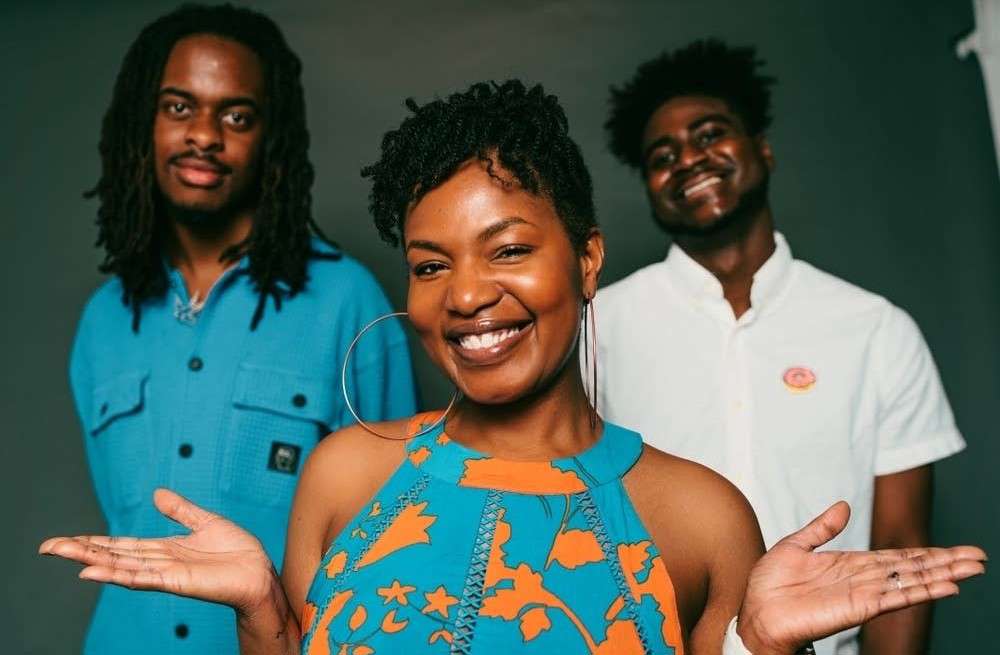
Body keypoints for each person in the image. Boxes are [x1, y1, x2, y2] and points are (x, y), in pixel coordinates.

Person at [43, 81, 984, 655]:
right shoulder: (343, 476)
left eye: (507, 250)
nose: (464, 294)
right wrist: (260, 612)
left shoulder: (702, 516)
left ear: (586, 258)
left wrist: (763, 645)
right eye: (429, 265)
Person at [596, 39, 967, 655]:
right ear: (649, 186)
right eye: (663, 156)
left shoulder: (876, 329)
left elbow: (901, 547)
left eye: (710, 134)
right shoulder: (598, 329)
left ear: (761, 148)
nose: (689, 160)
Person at [68, 5, 416, 653]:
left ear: (271, 139)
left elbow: (395, 529)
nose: (204, 135)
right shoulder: (102, 322)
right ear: (143, 122)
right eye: (179, 107)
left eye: (236, 116)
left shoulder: (348, 302)